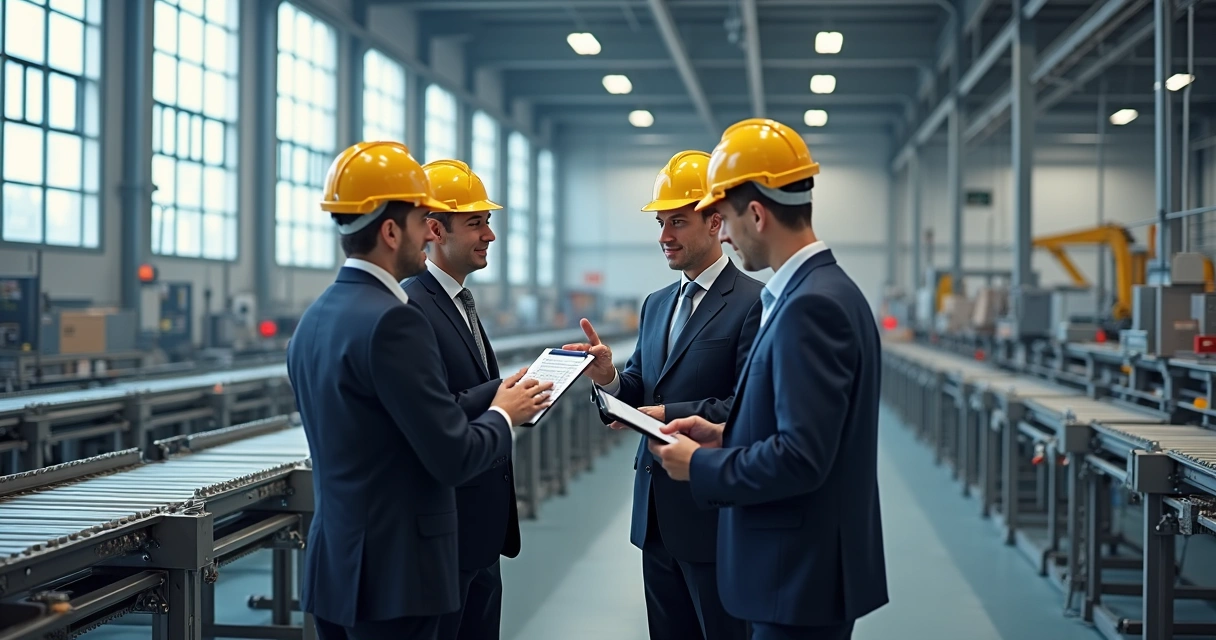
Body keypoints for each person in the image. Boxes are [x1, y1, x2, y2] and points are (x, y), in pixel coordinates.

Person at [286, 141, 553, 640]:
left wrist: (489, 393)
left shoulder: (316, 318)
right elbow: (452, 455)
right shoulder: (395, 321)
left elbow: (389, 422)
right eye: (419, 221)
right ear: (391, 231)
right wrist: (504, 415)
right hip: (397, 573)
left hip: (337, 567)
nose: (425, 232)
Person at [648, 119, 889, 640]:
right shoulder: (821, 291)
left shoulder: (812, 306)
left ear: (755, 214)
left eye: (726, 218)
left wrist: (702, 465)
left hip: (797, 573)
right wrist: (725, 435)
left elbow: (802, 458)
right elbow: (802, 429)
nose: (726, 233)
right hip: (801, 570)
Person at [563, 150, 762, 640]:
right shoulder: (655, 305)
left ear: (716, 223)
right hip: (655, 515)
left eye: (677, 221)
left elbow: (748, 405)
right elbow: (638, 389)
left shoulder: (753, 302)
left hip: (712, 513)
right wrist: (608, 378)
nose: (664, 236)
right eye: (660, 222)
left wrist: (667, 413)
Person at [401, 159, 514, 640]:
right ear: (434, 229)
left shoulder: (457, 300)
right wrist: (504, 397)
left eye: (487, 222)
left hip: (480, 530)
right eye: (475, 222)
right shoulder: (412, 306)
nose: (489, 234)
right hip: (446, 532)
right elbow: (434, 412)